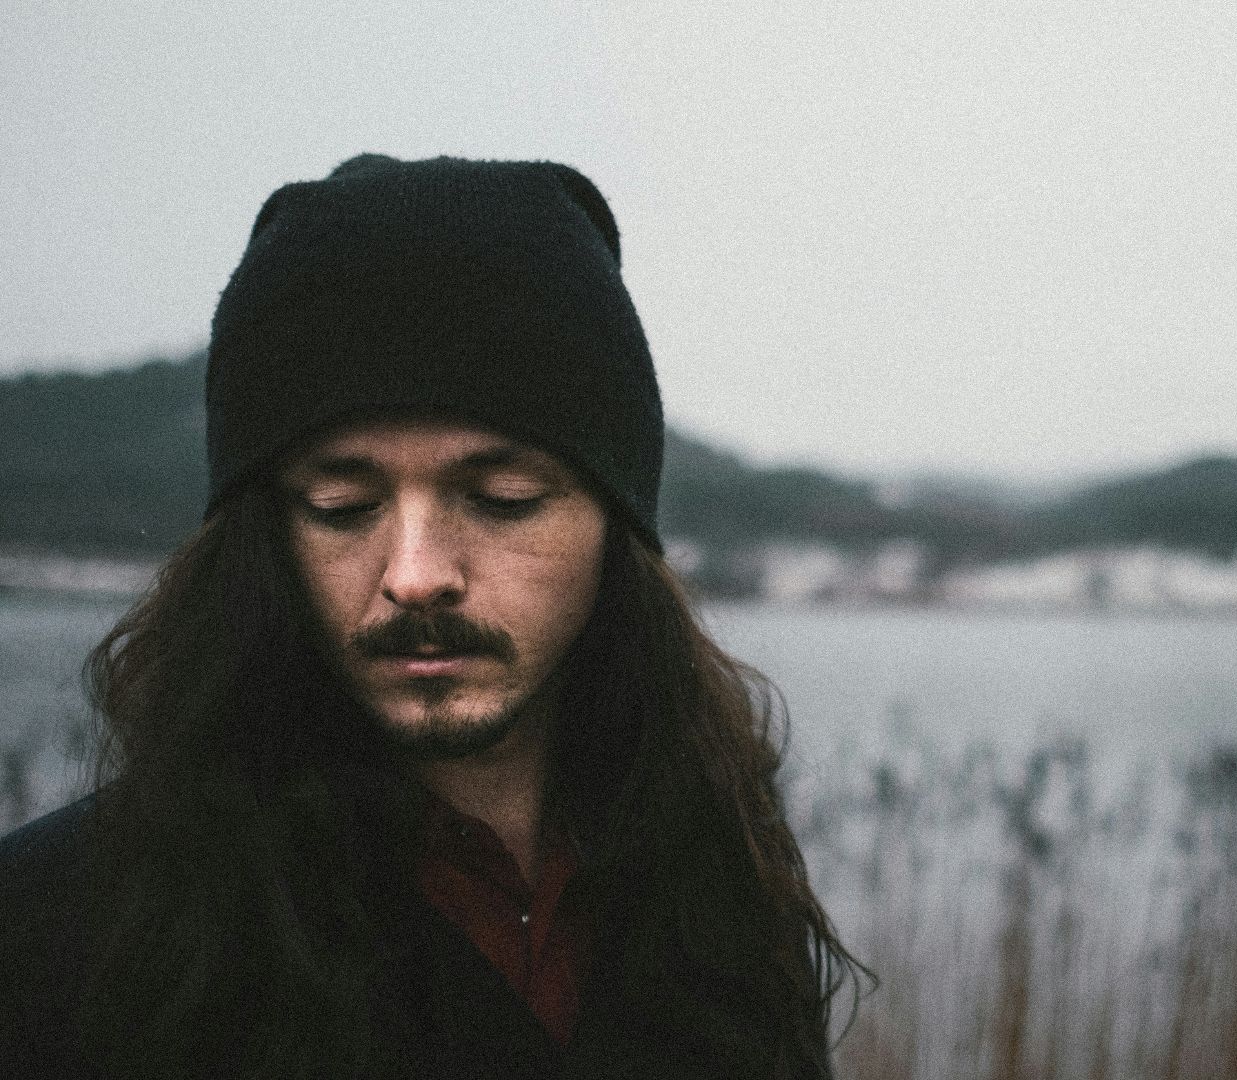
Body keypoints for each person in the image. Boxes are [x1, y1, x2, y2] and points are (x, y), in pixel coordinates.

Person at [0, 154, 859, 1078]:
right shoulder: (58, 930)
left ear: (617, 522)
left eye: (502, 497)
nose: (415, 575)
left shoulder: (720, 877)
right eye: (341, 505)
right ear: (261, 538)